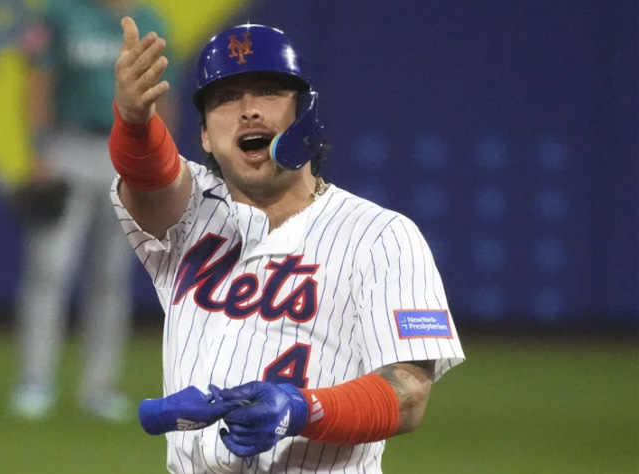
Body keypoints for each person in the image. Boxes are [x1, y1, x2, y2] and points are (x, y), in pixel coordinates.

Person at [110, 17, 465, 472]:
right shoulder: (192, 215)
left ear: (305, 114)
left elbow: (409, 394)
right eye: (225, 98)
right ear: (205, 135)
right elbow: (148, 176)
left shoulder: (380, 235)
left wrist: (301, 409)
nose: (248, 110)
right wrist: (135, 121)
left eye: (268, 92)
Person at [9, 0, 177, 421]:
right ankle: (35, 380)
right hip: (68, 146)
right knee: (50, 268)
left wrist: (160, 161)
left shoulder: (149, 22)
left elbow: (161, 95)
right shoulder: (61, 14)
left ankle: (99, 385)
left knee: (111, 275)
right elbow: (40, 82)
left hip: (126, 153)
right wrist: (40, 151)